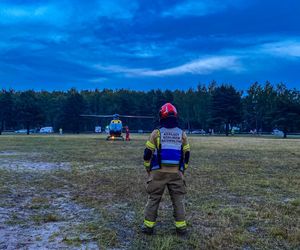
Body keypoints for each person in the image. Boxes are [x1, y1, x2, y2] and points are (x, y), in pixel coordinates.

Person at [142, 103, 190, 235]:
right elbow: (186, 155)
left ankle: (148, 226)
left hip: (158, 172)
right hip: (176, 173)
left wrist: (148, 169)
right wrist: (182, 171)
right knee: (178, 200)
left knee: (153, 199)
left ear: (161, 116)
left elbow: (147, 154)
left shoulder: (156, 133)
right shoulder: (182, 134)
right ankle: (181, 227)